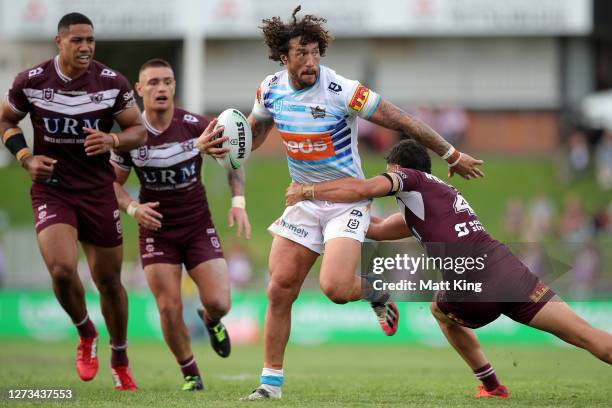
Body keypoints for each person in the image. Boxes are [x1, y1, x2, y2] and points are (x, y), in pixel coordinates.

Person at [242, 6, 484, 400]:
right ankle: (270, 384)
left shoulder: (341, 90)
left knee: (336, 289)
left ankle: (373, 291)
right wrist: (227, 144)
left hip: (345, 199)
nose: (311, 62)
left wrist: (451, 153)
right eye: (301, 54)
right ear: (283, 57)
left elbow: (402, 120)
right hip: (302, 199)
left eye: (315, 52)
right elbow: (256, 132)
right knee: (279, 288)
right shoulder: (269, 89)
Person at [286, 139, 612, 399]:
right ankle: (490, 385)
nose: (386, 179)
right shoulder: (430, 200)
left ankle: (491, 384)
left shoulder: (410, 178)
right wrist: (328, 215)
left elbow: (364, 189)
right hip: (510, 272)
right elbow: (378, 227)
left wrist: (307, 191)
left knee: (438, 310)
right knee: (586, 335)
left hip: (473, 286)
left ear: (397, 170)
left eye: (388, 173)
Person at [0, 12, 146, 390]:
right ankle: (85, 332)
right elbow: (5, 121)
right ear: (59, 42)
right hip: (54, 188)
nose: (85, 47)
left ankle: (120, 356)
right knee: (63, 269)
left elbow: (137, 131)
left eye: (90, 41)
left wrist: (112, 140)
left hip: (98, 191)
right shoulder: (30, 82)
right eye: (77, 40)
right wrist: (25, 158)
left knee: (109, 282)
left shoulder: (111, 82)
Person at [111, 58, 251, 391]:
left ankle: (211, 319)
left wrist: (238, 203)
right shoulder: (132, 134)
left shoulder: (194, 125)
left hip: (196, 225)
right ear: (139, 89)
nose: (162, 88)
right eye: (154, 82)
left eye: (168, 82)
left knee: (221, 302)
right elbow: (111, 184)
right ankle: (190, 371)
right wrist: (132, 208)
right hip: (156, 232)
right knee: (168, 305)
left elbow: (233, 161)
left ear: (175, 86)